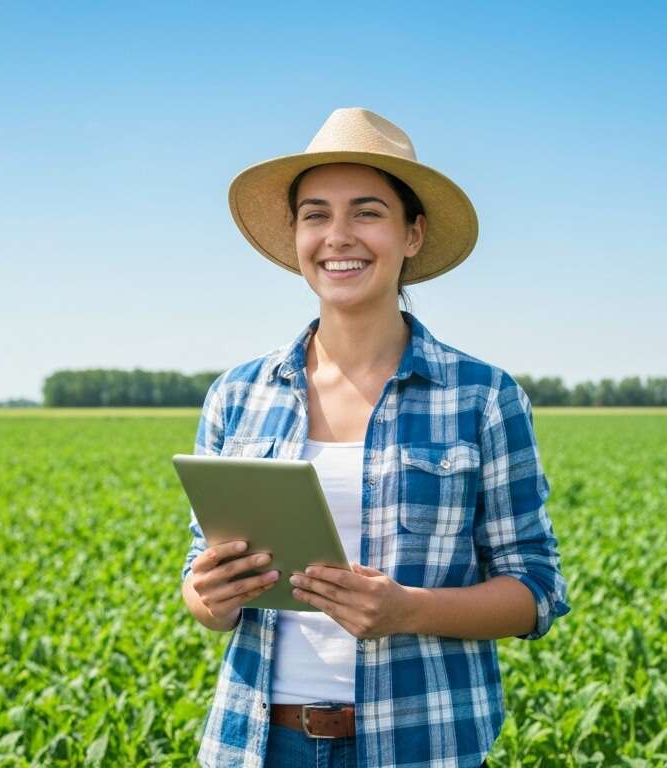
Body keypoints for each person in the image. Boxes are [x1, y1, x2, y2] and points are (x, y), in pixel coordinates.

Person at [180, 107, 570, 768]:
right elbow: (200, 575)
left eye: (366, 212)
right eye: (315, 215)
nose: (338, 237)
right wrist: (207, 598)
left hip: (422, 744)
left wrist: (407, 610)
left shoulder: (482, 396)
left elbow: (534, 591)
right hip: (257, 744)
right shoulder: (239, 394)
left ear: (412, 234)